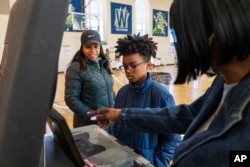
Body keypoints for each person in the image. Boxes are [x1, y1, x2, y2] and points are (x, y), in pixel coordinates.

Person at [89, 0, 250, 166]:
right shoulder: (221, 83)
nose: (181, 47)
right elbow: (185, 116)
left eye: (183, 36)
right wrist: (120, 115)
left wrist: (155, 162)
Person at [108, 34, 181, 167]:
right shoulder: (122, 93)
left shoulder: (162, 96)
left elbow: (173, 140)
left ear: (147, 65)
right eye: (124, 66)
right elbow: (117, 128)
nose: (128, 71)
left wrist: (155, 162)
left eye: (133, 65)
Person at [65, 30, 115, 128]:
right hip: (89, 125)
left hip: (108, 123)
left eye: (96, 46)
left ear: (100, 47)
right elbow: (71, 98)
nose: (93, 50)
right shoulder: (75, 68)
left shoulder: (104, 65)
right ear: (82, 47)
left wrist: (114, 111)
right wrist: (95, 118)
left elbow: (110, 91)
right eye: (88, 47)